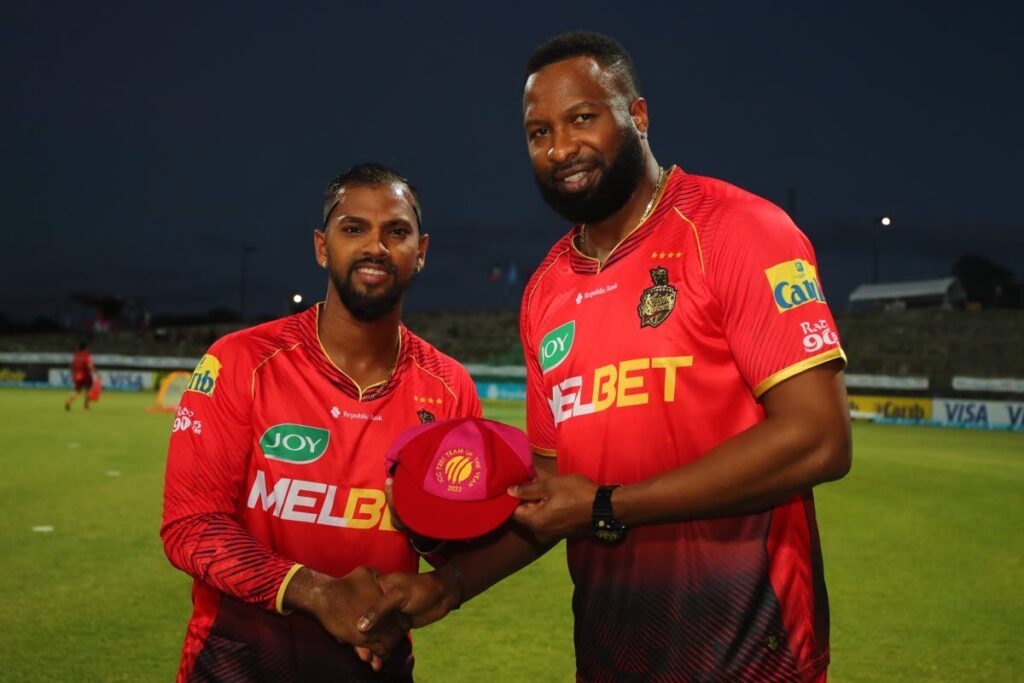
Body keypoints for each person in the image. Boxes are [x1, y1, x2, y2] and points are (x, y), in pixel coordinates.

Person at [358, 32, 851, 682]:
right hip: (610, 656)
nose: (561, 148)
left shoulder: (737, 230)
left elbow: (819, 439)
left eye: (581, 118)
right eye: (538, 133)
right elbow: (550, 499)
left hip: (751, 658)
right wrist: (448, 585)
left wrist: (606, 505)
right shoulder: (545, 293)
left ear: (638, 116)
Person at [160, 163, 481, 682]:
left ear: (420, 252)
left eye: (396, 231)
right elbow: (190, 527)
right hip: (236, 662)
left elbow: (456, 548)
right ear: (321, 246)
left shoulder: (450, 389)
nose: (376, 246)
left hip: (374, 663)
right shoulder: (240, 360)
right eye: (353, 228)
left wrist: (424, 531)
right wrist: (316, 590)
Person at [65, 340, 95, 411]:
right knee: (87, 390)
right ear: (85, 348)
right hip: (86, 374)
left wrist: (73, 374)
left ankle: (69, 401)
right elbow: (90, 365)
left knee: (77, 391)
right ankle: (86, 407)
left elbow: (72, 365)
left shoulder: (76, 355)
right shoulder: (87, 355)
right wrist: (96, 372)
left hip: (77, 375)